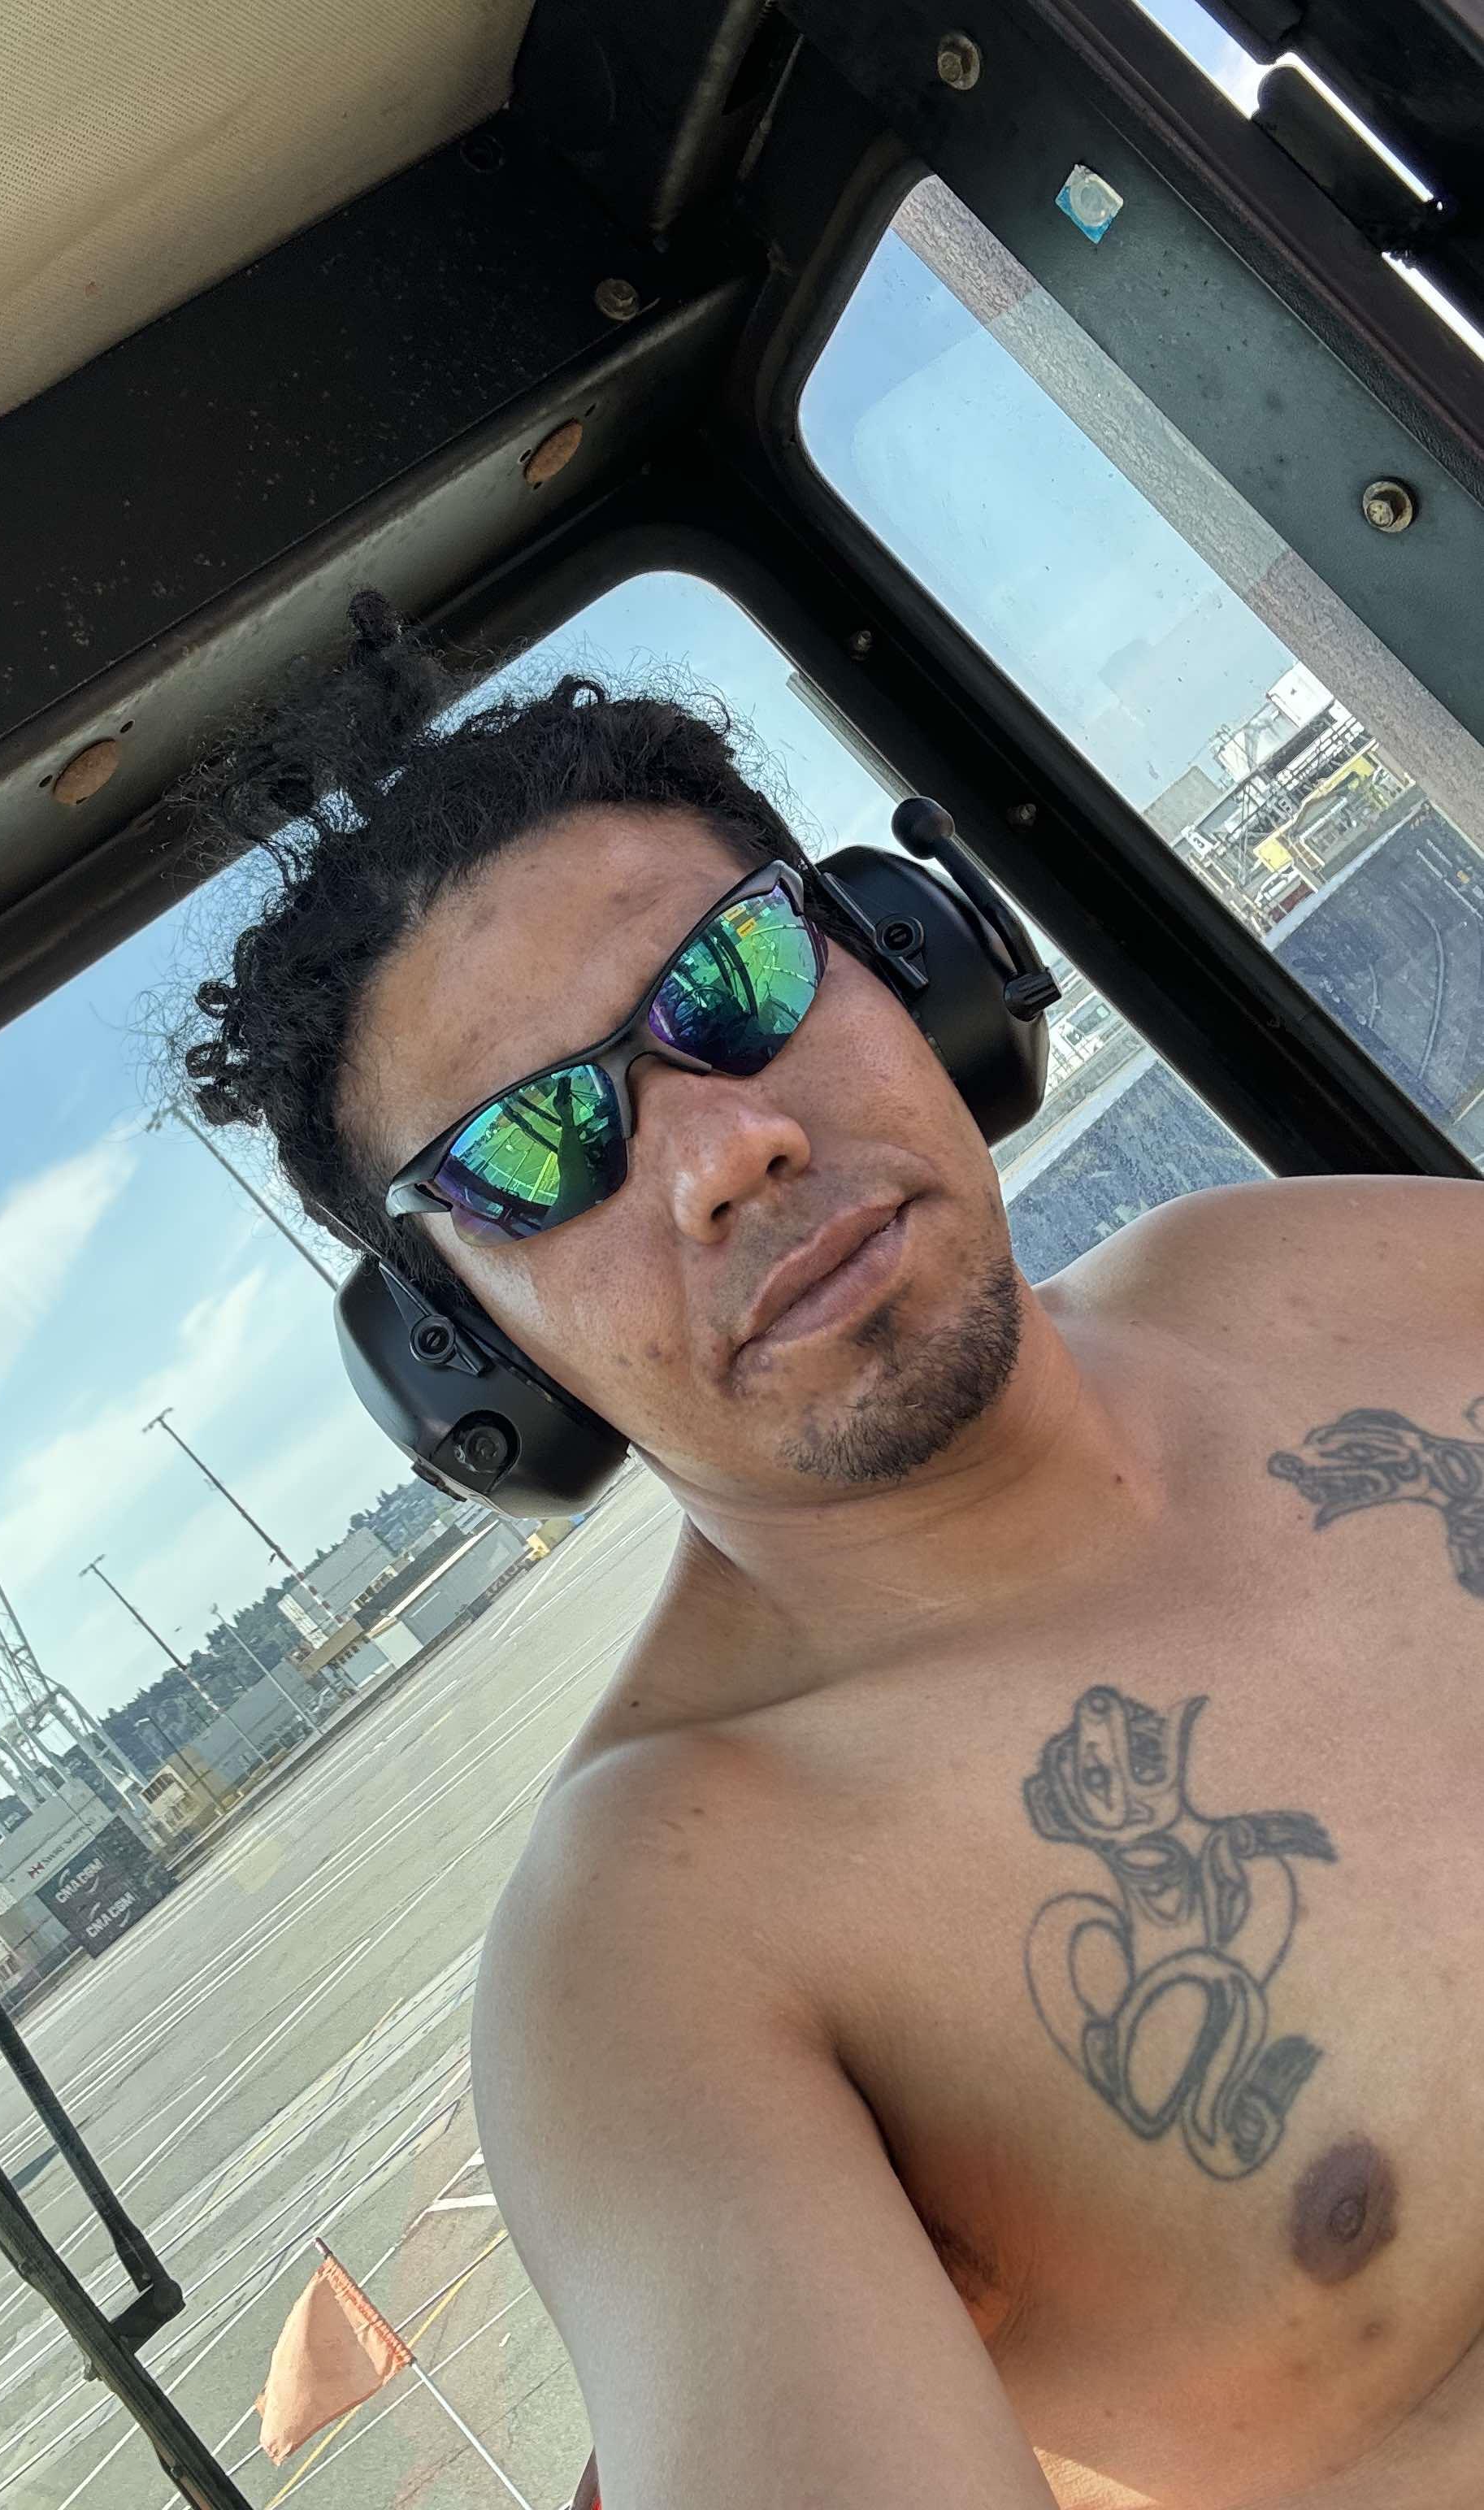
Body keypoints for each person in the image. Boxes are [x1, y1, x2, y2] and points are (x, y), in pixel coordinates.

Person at [169, 593, 1484, 2508]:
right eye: (536, 1154)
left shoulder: (1320, 1273)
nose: (721, 1152)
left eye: (736, 983)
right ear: (471, 1348)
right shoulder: (662, 1938)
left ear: (907, 960)